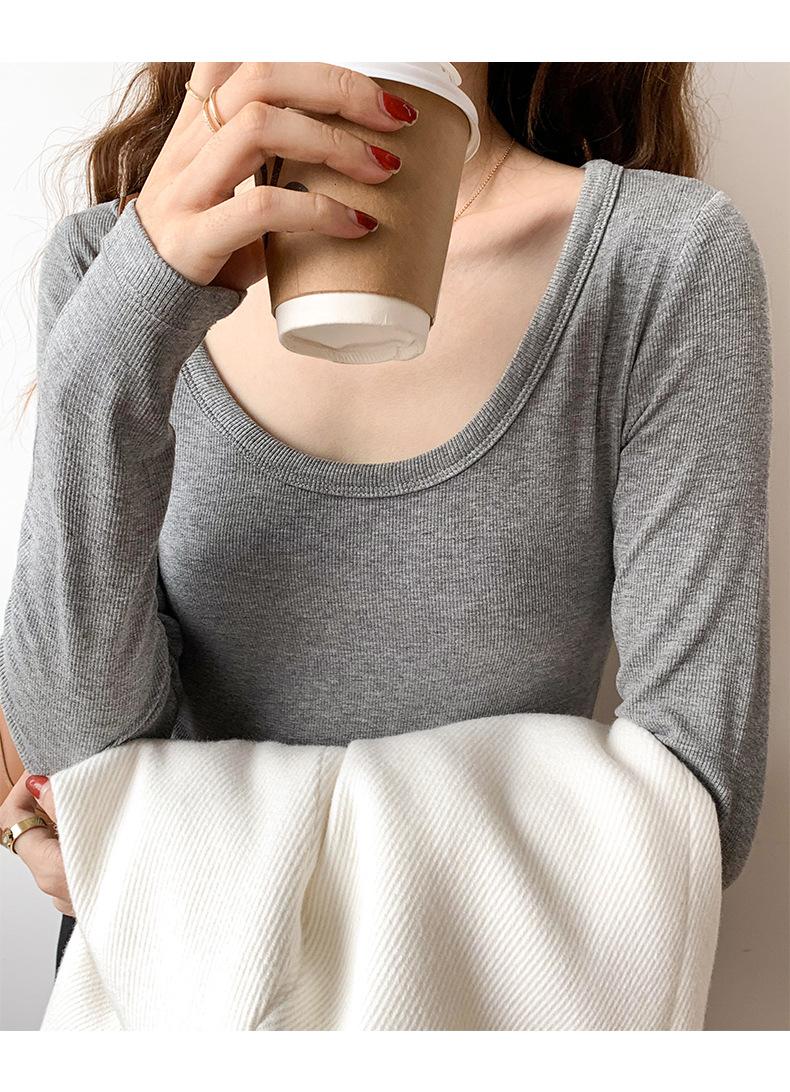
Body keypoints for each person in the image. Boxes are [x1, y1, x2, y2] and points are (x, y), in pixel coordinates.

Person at [0, 62, 772, 989]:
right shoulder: (111, 261)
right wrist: (129, 322)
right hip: (171, 1014)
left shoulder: (660, 256)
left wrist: (151, 851)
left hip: (487, 1010)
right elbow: (74, 759)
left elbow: (692, 810)